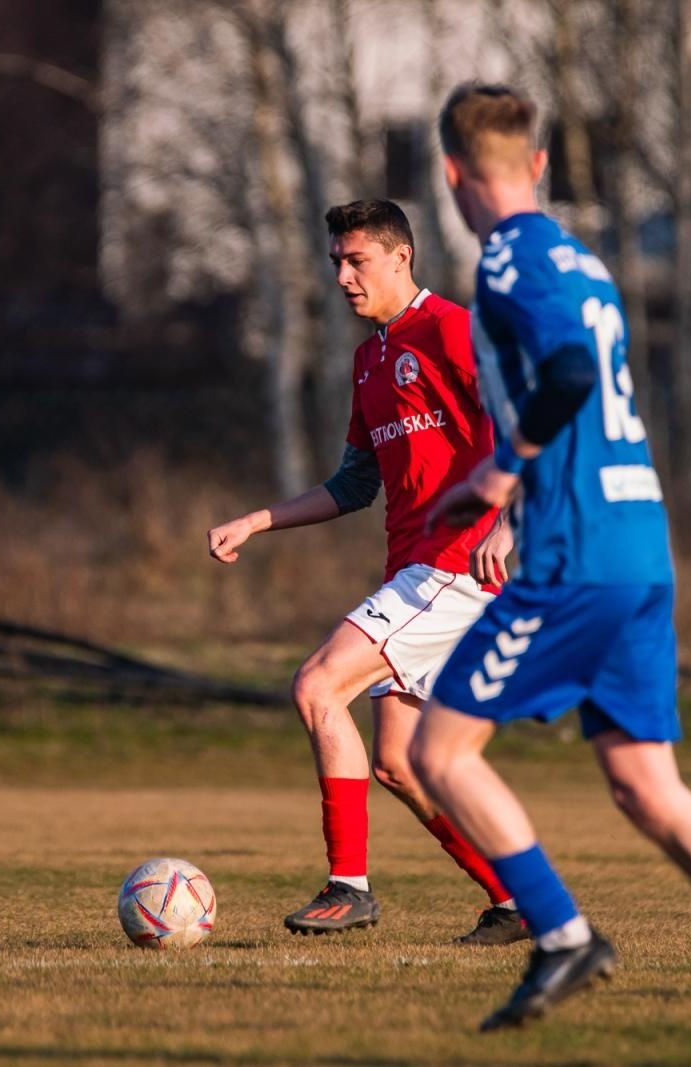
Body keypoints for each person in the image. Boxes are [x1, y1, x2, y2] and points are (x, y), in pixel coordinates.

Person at [408, 82, 691, 1030]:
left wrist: (502, 475)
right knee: (646, 783)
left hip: (581, 555)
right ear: (540, 164)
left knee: (437, 749)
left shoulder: (511, 261)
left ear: (449, 174)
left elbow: (564, 372)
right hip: (642, 545)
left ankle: (562, 935)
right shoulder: (585, 260)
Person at [208, 199, 524, 944]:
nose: (343, 277)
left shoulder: (450, 328)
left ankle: (348, 886)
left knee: (318, 685)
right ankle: (517, 900)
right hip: (416, 572)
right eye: (335, 263)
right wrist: (257, 520)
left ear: (401, 257)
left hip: (455, 567)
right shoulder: (369, 360)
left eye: (357, 261)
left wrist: (510, 524)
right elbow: (354, 485)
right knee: (399, 764)